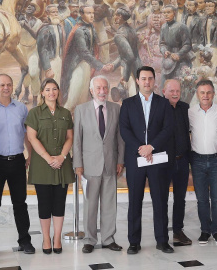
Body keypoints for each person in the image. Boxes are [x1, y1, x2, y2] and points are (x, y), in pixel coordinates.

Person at [119, 66, 176, 253]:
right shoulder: (127, 104)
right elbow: (124, 130)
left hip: (157, 159)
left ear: (154, 81)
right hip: (135, 160)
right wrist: (141, 149)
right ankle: (134, 242)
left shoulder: (163, 103)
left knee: (160, 201)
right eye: (143, 78)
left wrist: (151, 147)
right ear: (137, 81)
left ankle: (162, 241)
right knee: (134, 201)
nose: (147, 82)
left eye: (150, 78)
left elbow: (168, 129)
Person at [0, 74, 35, 255]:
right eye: (2, 85)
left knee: (20, 203)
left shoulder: (21, 108)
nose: (6, 88)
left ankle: (25, 241)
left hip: (17, 161)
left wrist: (31, 155)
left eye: (9, 85)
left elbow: (27, 134)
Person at [73, 76, 125, 253]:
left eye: (105, 88)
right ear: (91, 90)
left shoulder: (116, 109)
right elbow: (77, 140)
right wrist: (78, 164)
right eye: (98, 88)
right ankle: (89, 239)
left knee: (110, 203)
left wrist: (120, 160)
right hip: (89, 166)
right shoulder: (81, 110)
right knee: (90, 205)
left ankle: (109, 239)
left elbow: (120, 137)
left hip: (111, 164)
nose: (102, 91)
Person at [25, 79, 75, 254]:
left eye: (54, 89)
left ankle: (57, 238)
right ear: (42, 92)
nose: (51, 92)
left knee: (59, 203)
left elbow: (70, 137)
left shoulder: (66, 113)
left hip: (62, 163)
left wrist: (61, 157)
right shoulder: (35, 113)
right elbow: (32, 138)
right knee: (44, 203)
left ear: (58, 92)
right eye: (48, 89)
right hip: (42, 165)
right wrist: (48, 158)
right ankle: (46, 238)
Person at [188, 79, 217, 245]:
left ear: (213, 94)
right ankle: (205, 231)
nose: (205, 95)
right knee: (202, 199)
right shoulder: (190, 112)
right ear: (197, 94)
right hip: (197, 160)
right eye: (202, 92)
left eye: (209, 92)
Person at [163, 79, 193, 246]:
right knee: (162, 198)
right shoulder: (159, 107)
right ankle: (162, 233)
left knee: (180, 198)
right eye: (171, 91)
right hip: (164, 163)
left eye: (177, 91)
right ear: (163, 91)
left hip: (182, 161)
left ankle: (178, 230)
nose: (175, 93)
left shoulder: (185, 108)